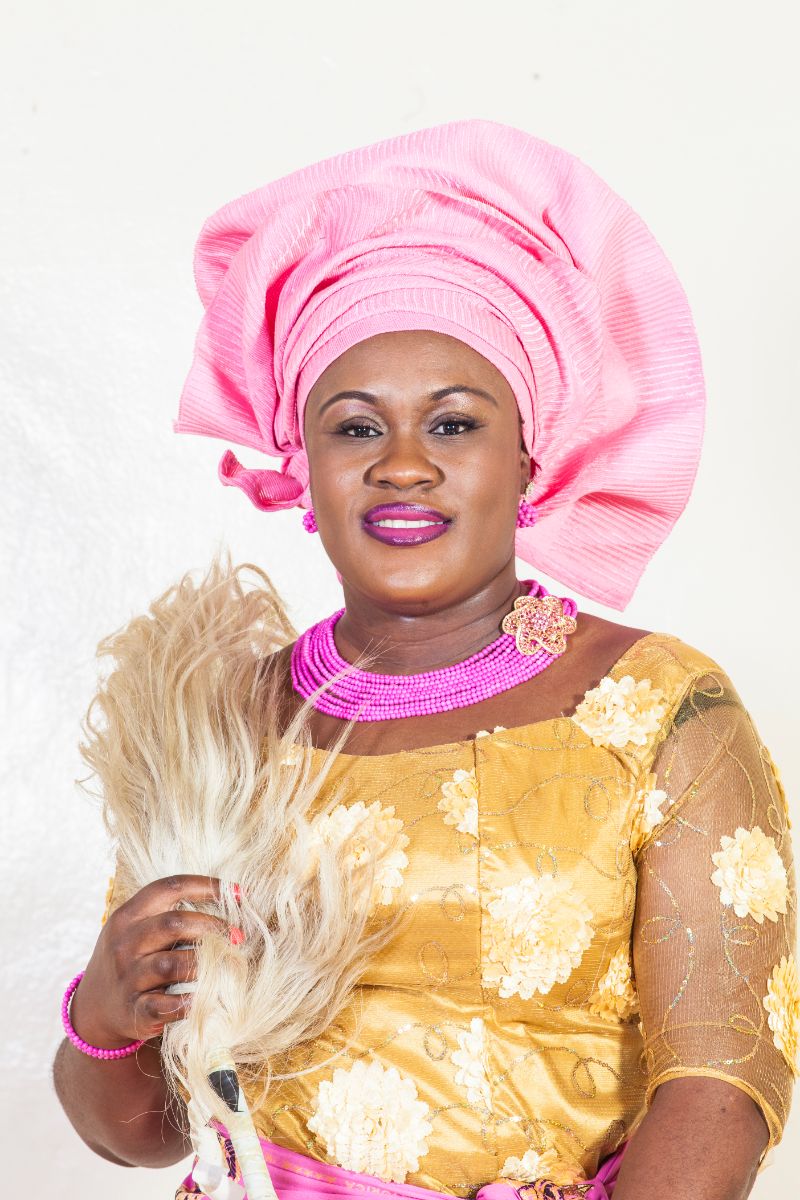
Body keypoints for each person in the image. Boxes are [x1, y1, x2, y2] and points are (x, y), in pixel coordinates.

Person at [53, 120, 796, 1200]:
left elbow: (718, 1096)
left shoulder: (654, 711)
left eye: (452, 426)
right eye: (356, 429)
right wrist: (105, 1010)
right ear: (303, 467)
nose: (402, 465)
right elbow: (139, 1139)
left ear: (531, 459)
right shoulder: (219, 726)